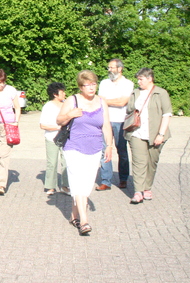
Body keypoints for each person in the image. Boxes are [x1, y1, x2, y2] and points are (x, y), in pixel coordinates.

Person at [57, 70, 114, 235]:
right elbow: (59, 120)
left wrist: (109, 146)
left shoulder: (102, 102)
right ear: (80, 87)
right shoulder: (72, 100)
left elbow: (106, 125)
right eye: (87, 85)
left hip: (95, 147)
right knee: (77, 181)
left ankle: (73, 216)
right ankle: (84, 220)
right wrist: (70, 114)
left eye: (93, 84)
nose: (91, 87)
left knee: (88, 182)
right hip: (74, 146)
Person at [125, 67, 172, 204]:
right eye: (138, 79)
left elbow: (166, 114)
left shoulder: (161, 93)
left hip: (156, 134)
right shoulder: (135, 93)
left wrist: (161, 134)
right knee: (139, 162)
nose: (138, 82)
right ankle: (138, 191)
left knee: (152, 162)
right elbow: (129, 110)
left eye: (141, 79)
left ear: (149, 78)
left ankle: (147, 188)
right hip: (137, 133)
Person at [96, 59, 135, 190]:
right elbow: (100, 101)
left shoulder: (128, 84)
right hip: (105, 120)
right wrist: (112, 101)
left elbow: (123, 102)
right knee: (104, 149)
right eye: (108, 67)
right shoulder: (104, 83)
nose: (109, 70)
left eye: (112, 67)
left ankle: (123, 178)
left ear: (120, 69)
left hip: (121, 120)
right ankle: (106, 181)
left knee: (122, 150)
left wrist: (107, 100)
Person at [39, 82, 70, 196]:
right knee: (52, 162)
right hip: (51, 137)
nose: (64, 94)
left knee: (66, 162)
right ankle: (50, 186)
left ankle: (65, 185)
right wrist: (57, 128)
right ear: (55, 94)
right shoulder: (48, 106)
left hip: (66, 137)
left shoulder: (67, 104)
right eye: (62, 92)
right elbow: (42, 125)